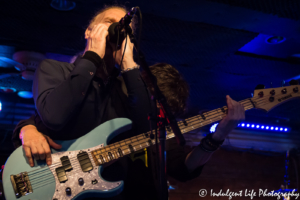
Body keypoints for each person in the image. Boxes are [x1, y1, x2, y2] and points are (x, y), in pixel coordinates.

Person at [11, 4, 245, 199]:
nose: (117, 28)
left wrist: (129, 65)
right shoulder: (53, 69)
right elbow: (53, 115)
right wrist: (26, 128)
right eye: (110, 22)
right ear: (89, 31)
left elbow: (147, 131)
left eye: (124, 27)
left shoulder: (123, 92)